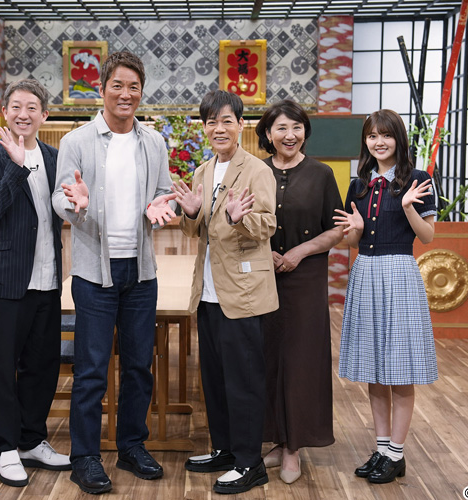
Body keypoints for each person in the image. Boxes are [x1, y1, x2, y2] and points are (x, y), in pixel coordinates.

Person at [53, 50, 177, 495]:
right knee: (91, 368)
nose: (126, 94)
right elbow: (60, 198)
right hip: (94, 273)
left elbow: (163, 192)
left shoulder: (153, 142)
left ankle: (131, 445)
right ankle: (84, 457)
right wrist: (77, 204)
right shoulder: (77, 141)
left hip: (141, 271)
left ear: (141, 92)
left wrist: (163, 206)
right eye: (118, 85)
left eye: (134, 87)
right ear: (102, 89)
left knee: (139, 365)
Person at [172, 90, 278, 495]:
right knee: (214, 379)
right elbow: (194, 230)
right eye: (211, 122)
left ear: (240, 125)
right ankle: (225, 449)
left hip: (243, 292)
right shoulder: (203, 171)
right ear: (205, 128)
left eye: (226, 121)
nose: (219, 128)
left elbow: (267, 225)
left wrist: (240, 218)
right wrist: (190, 212)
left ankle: (250, 462)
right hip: (208, 292)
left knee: (243, 380)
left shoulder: (257, 170)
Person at [0, 79, 70, 488]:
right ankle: (6, 448)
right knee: (4, 367)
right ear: (5, 112)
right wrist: (16, 165)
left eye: (32, 107)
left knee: (43, 365)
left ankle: (32, 440)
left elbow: (62, 210)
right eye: (16, 106)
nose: (23, 114)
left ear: (44, 115)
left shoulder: (55, 156)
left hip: (47, 278)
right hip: (6, 280)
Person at [333, 109, 438, 484]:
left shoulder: (419, 179)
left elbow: (427, 236)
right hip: (365, 270)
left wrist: (408, 206)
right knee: (374, 371)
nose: (379, 142)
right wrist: (355, 228)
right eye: (372, 136)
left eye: (386, 135)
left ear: (399, 139)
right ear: (365, 141)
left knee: (399, 369)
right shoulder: (358, 184)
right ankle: (382, 450)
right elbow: (351, 241)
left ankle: (396, 453)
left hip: (399, 273)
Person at [254, 100, 343, 484]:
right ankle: (276, 439)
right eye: (281, 128)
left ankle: (294, 447)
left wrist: (299, 252)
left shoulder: (321, 174)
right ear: (267, 134)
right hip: (262, 276)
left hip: (305, 277)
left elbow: (337, 229)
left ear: (305, 131)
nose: (289, 135)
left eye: (296, 127)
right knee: (268, 357)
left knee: (301, 360)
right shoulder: (255, 171)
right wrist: (265, 251)